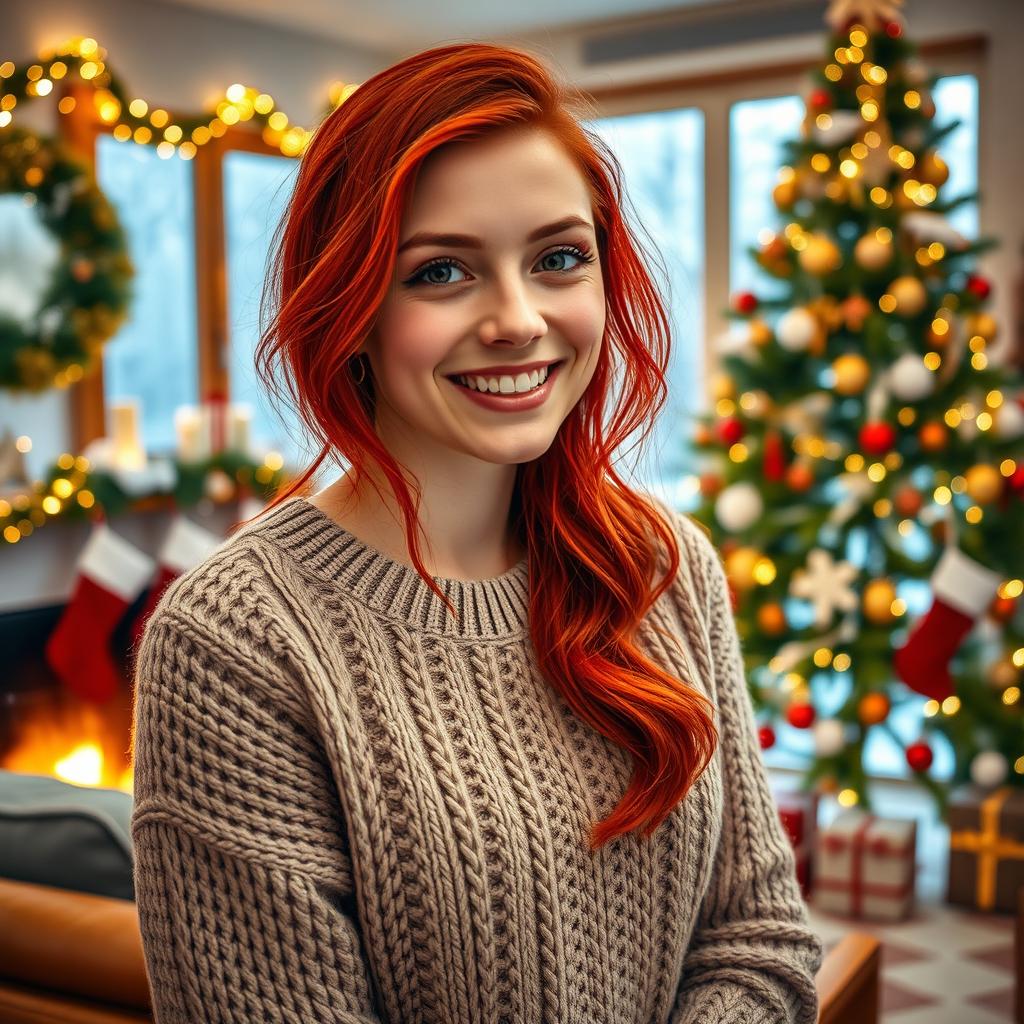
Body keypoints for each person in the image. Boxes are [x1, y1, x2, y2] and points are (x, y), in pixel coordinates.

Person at [130, 41, 824, 1024]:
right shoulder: (237, 644)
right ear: (351, 306)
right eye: (443, 271)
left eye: (557, 259)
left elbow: (760, 940)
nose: (516, 319)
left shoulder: (663, 567)